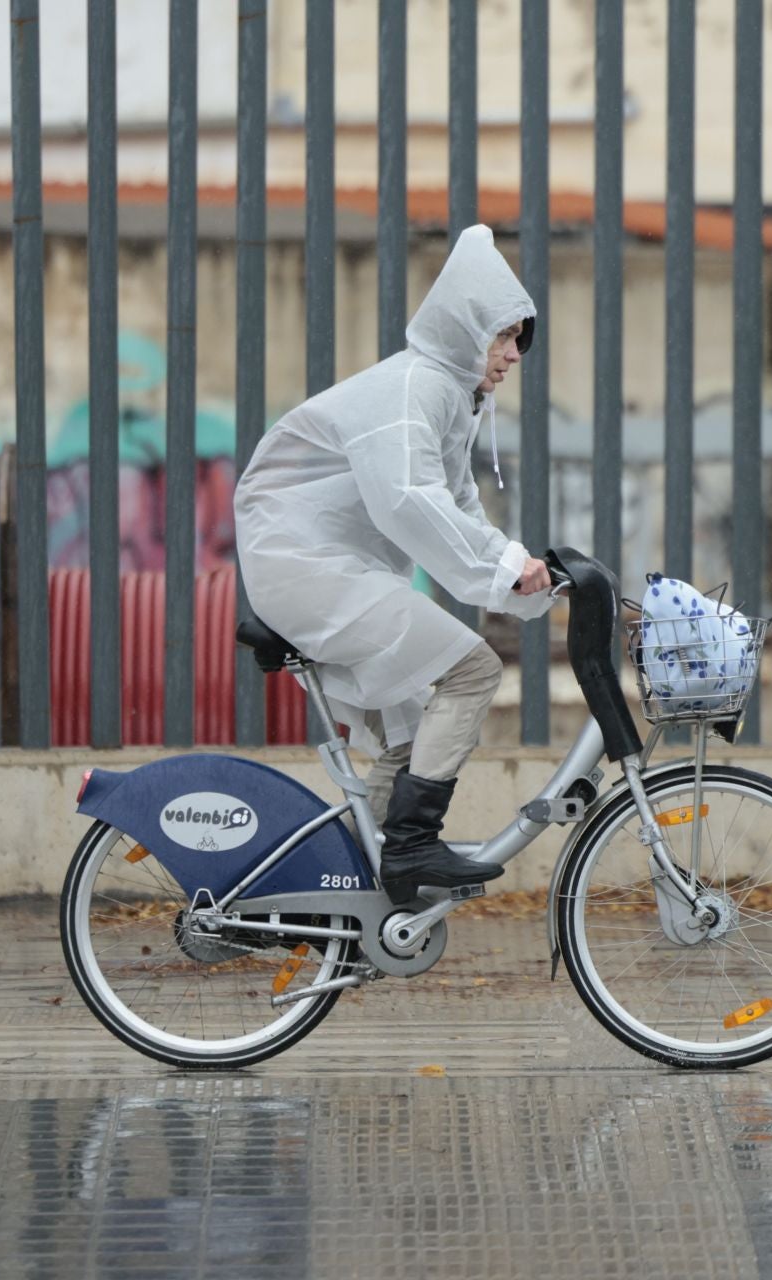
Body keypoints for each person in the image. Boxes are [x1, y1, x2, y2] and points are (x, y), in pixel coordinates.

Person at [234, 225, 556, 905]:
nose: (513, 354)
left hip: (333, 568)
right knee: (473, 671)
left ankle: (359, 901)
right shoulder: (412, 389)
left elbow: (460, 511)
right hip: (306, 565)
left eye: (521, 340)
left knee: (415, 738)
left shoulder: (446, 398)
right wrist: (504, 567)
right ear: (465, 330)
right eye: (503, 336)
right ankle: (408, 852)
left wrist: (530, 577)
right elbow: (410, 501)